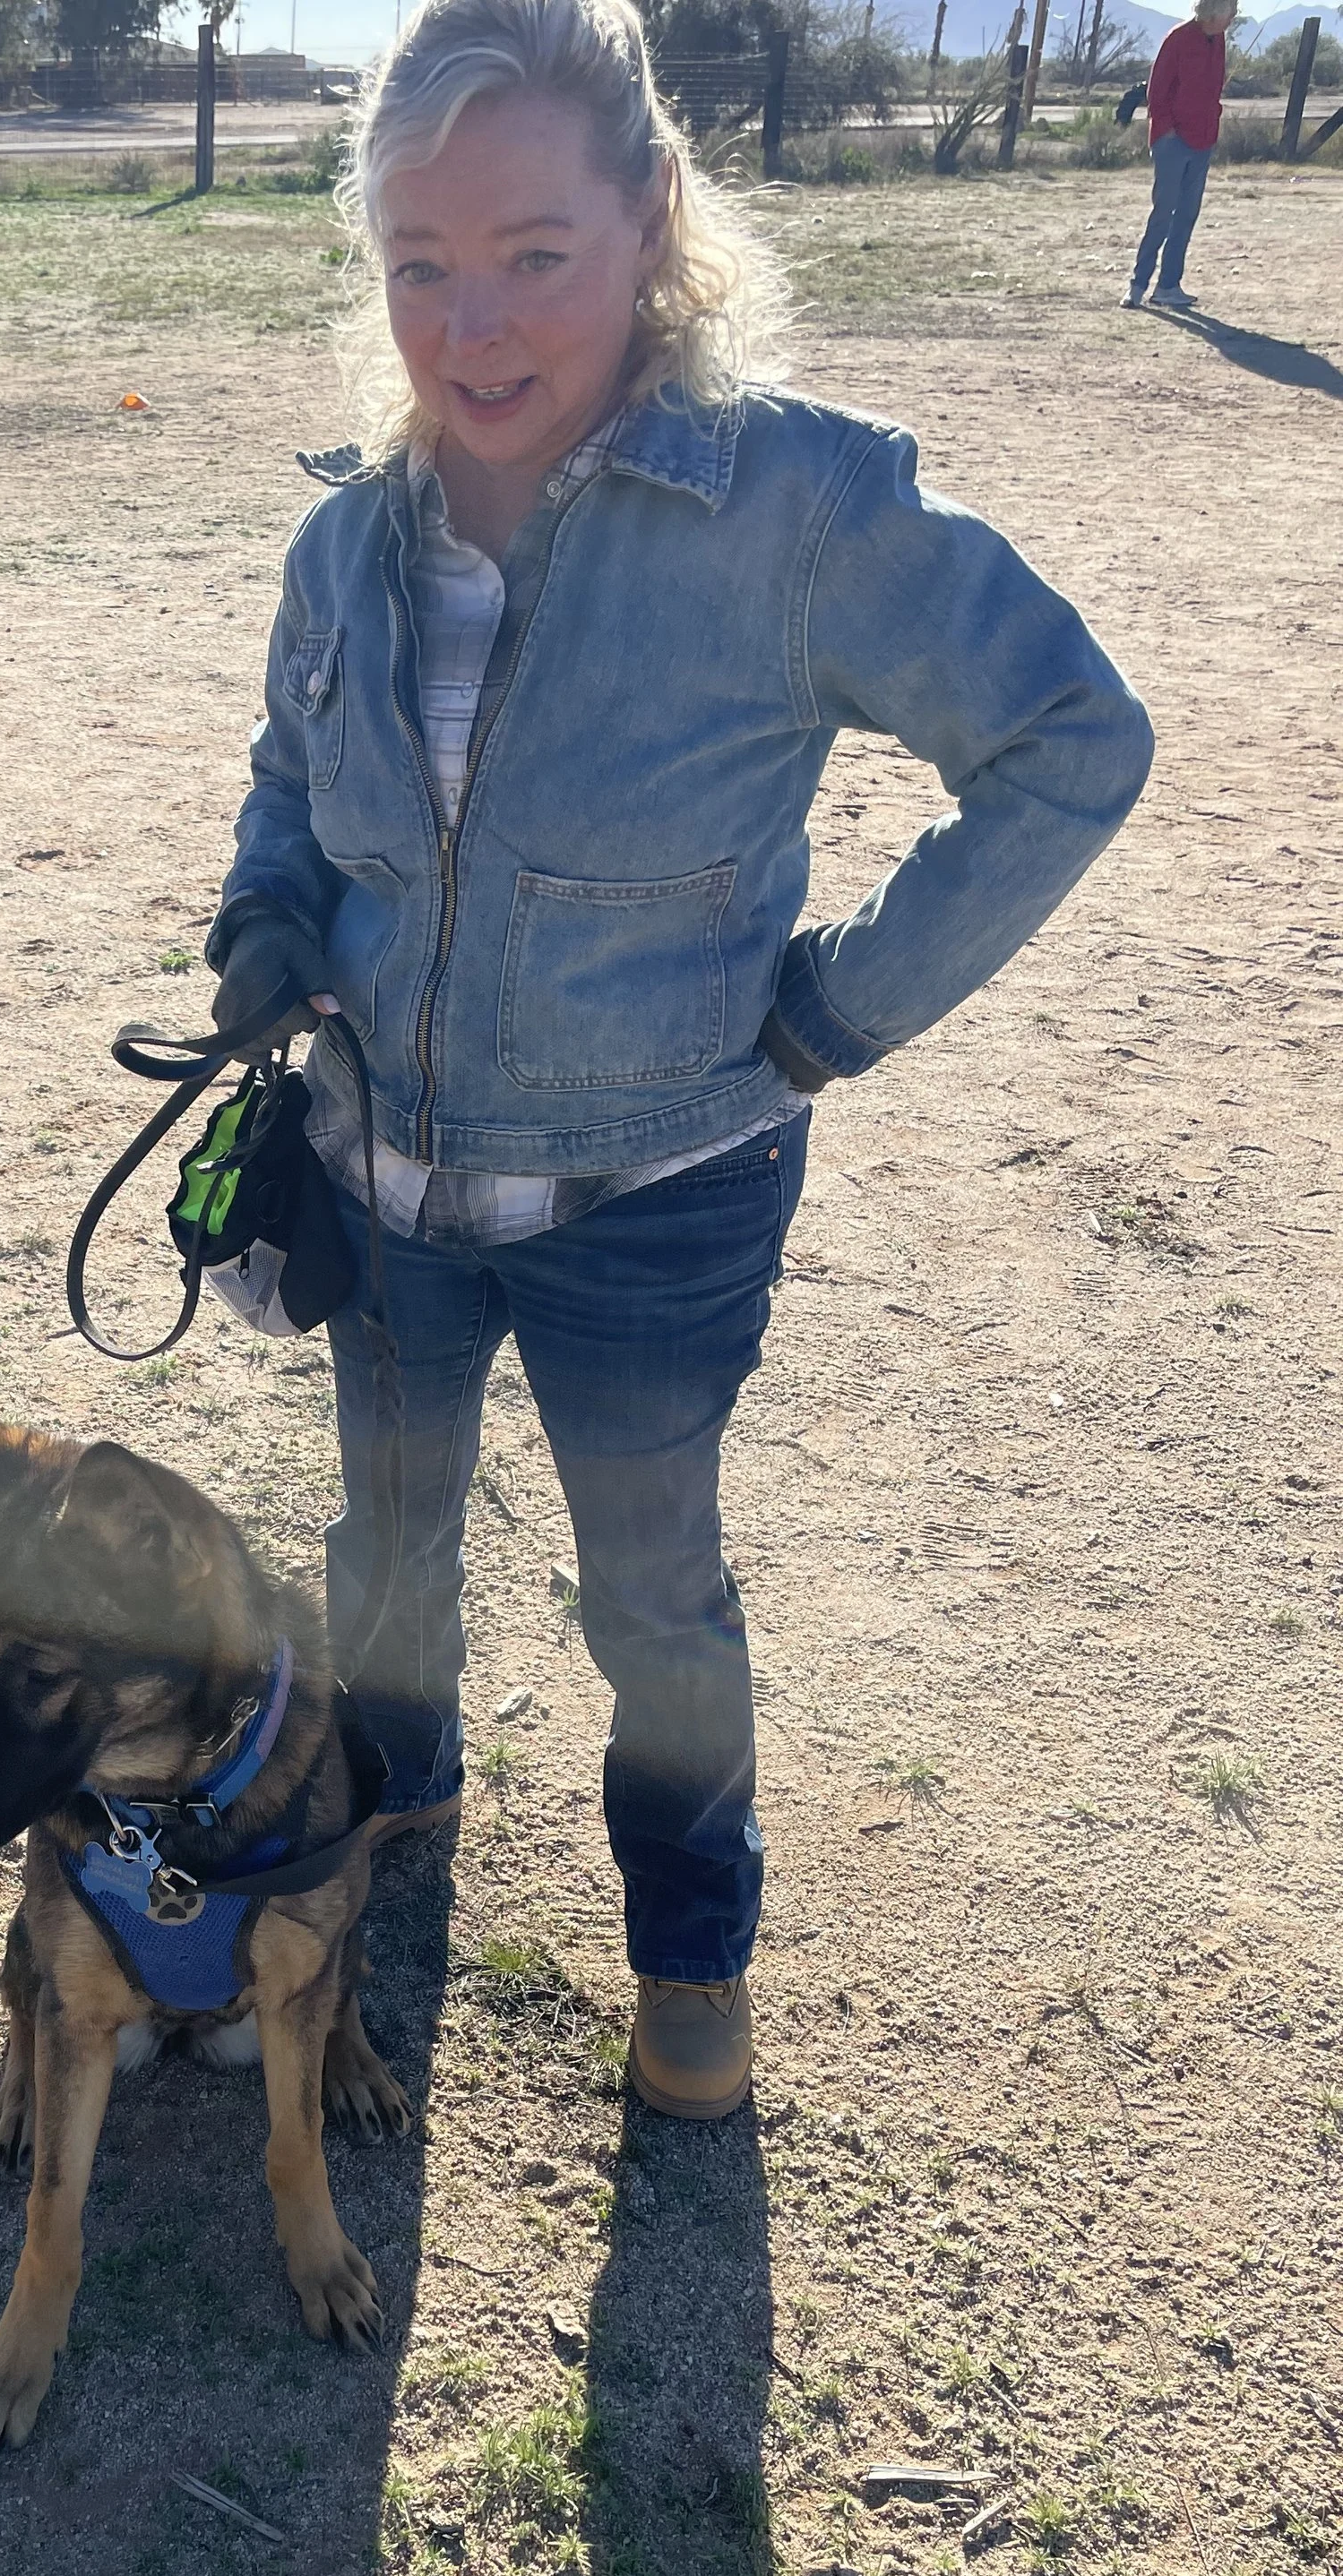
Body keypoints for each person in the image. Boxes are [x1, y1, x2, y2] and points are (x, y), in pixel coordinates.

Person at [205, 0, 1152, 2122]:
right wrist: (271, 917)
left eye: (536, 249)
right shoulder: (341, 534)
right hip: (381, 1183)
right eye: (421, 261)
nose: (474, 322)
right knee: (386, 1555)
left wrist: (835, 1014)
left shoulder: (798, 508)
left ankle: (692, 1949)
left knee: (652, 1594)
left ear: (651, 217)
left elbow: (1072, 745)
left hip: (657, 1202)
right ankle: (399, 1810)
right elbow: (292, 774)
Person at [1123, 0, 1234, 311]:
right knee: (1163, 213)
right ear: (1214, 9)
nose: (1234, 15)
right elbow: (1156, 93)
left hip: (1203, 139)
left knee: (1187, 214)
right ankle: (1137, 285)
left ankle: (1168, 286)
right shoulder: (1179, 38)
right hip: (1173, 141)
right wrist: (1168, 131)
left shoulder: (1219, 40)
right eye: (1231, 7)